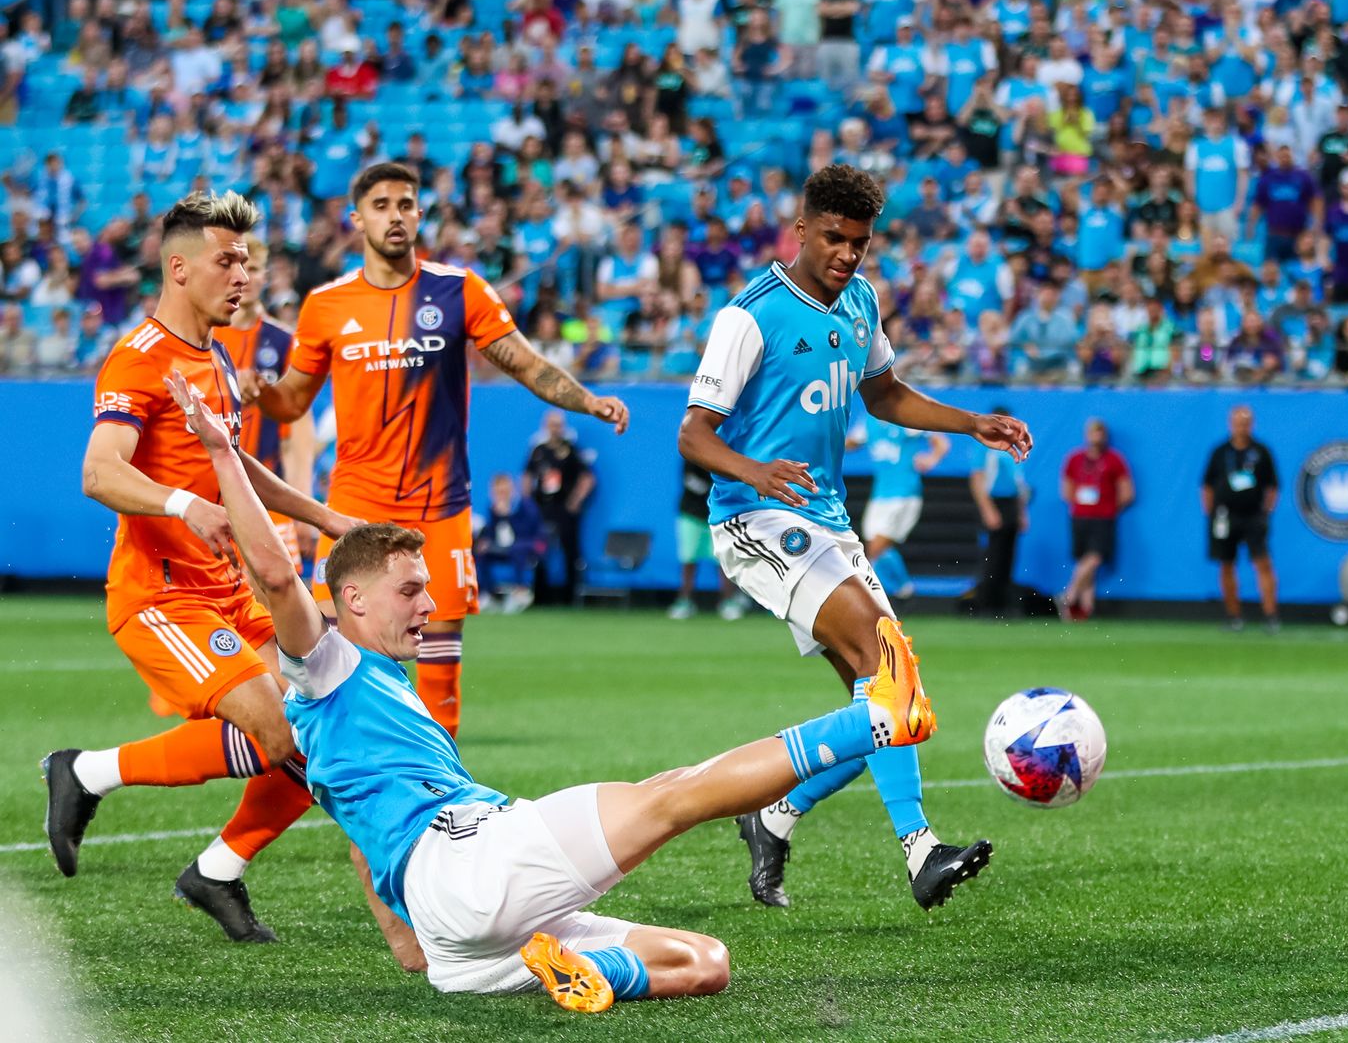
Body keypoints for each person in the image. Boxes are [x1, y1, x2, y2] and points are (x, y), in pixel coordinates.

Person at [162, 367, 935, 1013]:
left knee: (706, 961)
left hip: (463, 943)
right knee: (674, 794)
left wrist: (412, 946)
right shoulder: (325, 663)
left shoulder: (364, 702)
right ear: (353, 600)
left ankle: (587, 974)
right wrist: (222, 454)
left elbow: (364, 840)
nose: (429, 605)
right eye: (410, 591)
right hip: (471, 861)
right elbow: (272, 572)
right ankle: (875, 716)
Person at [678, 164, 1031, 911]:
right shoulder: (751, 316)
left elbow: (885, 395)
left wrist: (973, 424)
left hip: (827, 520)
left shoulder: (862, 301)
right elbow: (693, 435)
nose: (846, 255)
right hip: (756, 518)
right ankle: (921, 852)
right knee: (885, 666)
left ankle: (773, 813)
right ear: (801, 229)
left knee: (895, 707)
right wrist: (756, 471)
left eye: (860, 244)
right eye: (834, 238)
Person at [42, 192, 359, 944]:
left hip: (232, 592)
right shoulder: (139, 359)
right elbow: (99, 472)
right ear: (179, 268)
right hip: (163, 598)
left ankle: (216, 869)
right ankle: (86, 773)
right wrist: (186, 507)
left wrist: (325, 517)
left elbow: (237, 462)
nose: (243, 272)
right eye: (227, 259)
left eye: (247, 259)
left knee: (333, 721)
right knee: (285, 734)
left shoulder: (215, 355)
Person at [254, 162, 630, 742]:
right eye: (381, 205)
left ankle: (440, 805)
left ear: (420, 214)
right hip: (353, 505)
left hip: (439, 507)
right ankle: (353, 794)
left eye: (406, 203)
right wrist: (263, 394)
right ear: (357, 219)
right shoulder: (326, 305)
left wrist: (587, 401)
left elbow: (523, 361)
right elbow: (292, 402)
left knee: (438, 667)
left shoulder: (458, 290)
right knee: (328, 665)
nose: (395, 215)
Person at [224, 235, 319, 565]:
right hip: (212, 496)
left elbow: (298, 436)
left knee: (277, 608)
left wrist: (303, 507)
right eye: (235, 266)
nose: (245, 277)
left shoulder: (283, 342)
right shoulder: (203, 338)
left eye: (254, 268)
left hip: (269, 498)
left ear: (267, 276)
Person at [851, 414, 950, 600]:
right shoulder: (869, 423)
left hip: (905, 493)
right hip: (880, 494)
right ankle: (903, 590)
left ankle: (884, 595)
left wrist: (932, 458)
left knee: (876, 548)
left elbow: (941, 442)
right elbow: (851, 443)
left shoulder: (904, 419)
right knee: (875, 547)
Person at [1202, 406, 1280, 633]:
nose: (1241, 427)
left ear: (1252, 425)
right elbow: (1206, 485)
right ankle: (1233, 616)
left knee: (1262, 563)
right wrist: (1211, 514)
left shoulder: (1261, 451)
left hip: (1253, 516)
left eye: (1245, 423)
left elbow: (1273, 486)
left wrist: (1266, 513)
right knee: (1226, 565)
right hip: (1225, 516)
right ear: (1230, 424)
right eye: (1237, 422)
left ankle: (1270, 615)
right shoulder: (1220, 452)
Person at [1058, 418, 1133, 622]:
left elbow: (1127, 492)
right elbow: (1066, 487)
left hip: (1103, 516)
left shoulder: (1114, 460)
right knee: (1083, 559)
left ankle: (1070, 594)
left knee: (1095, 557)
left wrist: (1109, 506)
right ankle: (1082, 609)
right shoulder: (1075, 459)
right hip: (1080, 515)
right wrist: (1077, 502)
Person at [524, 411, 597, 606]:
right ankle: (540, 596)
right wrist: (527, 503)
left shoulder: (570, 450)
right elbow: (527, 476)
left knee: (570, 550)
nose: (555, 428)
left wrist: (575, 501)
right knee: (539, 549)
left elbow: (587, 477)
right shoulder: (538, 450)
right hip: (542, 508)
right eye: (552, 424)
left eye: (558, 425)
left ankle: (569, 596)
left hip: (563, 508)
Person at [669, 459, 749, 621]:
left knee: (723, 560)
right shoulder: (690, 454)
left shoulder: (724, 453)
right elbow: (690, 480)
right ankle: (684, 602)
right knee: (688, 558)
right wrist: (714, 491)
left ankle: (728, 602)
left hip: (718, 515)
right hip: (691, 514)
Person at [969, 405, 1029, 616]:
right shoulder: (985, 446)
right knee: (992, 555)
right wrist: (987, 509)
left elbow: (1020, 483)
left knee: (1008, 554)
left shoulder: (1014, 446)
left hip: (1011, 502)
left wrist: (1022, 512)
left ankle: (1004, 603)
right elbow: (977, 479)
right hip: (994, 502)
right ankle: (986, 603)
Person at [474, 473, 542, 615]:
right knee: (481, 551)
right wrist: (486, 542)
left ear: (512, 490)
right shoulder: (493, 509)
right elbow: (493, 533)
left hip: (528, 545)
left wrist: (508, 515)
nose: (501, 495)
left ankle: (521, 591)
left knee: (518, 549)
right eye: (498, 492)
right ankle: (488, 593)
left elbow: (526, 533)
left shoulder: (525, 506)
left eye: (504, 491)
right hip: (504, 548)